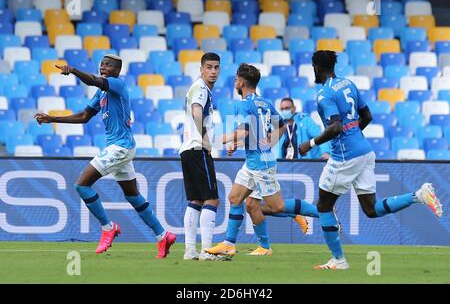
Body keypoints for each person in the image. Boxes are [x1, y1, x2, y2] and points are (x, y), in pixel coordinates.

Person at [299, 50, 444, 270]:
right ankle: (419, 196)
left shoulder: (324, 94)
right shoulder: (348, 84)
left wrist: (310, 144)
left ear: (317, 67)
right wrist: (354, 136)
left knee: (323, 205)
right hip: (364, 151)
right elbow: (367, 116)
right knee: (371, 209)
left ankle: (338, 260)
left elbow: (335, 126)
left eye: (313, 66)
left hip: (345, 156)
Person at [34, 55, 176, 258]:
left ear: (117, 70)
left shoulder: (116, 84)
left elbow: (94, 80)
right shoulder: (101, 93)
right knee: (133, 195)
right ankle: (162, 235)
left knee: (82, 185)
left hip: (120, 148)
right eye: (101, 64)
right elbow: (84, 116)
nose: (103, 67)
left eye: (108, 65)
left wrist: (73, 70)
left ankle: (108, 227)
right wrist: (52, 119)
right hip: (121, 148)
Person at [206, 63, 319, 257]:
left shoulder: (243, 104)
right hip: (253, 161)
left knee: (276, 206)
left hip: (261, 164)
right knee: (237, 199)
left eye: (235, 80)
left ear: (241, 82)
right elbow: (280, 127)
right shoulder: (264, 103)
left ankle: (321, 212)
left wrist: (213, 141)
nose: (235, 82)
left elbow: (243, 131)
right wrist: (263, 142)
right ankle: (230, 244)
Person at [179, 53, 221, 261]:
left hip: (188, 150)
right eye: (209, 67)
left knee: (195, 200)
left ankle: (190, 250)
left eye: (216, 68)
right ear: (201, 69)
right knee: (212, 199)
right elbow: (197, 111)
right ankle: (206, 250)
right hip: (198, 149)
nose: (213, 71)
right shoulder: (202, 88)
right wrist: (205, 139)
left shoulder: (197, 88)